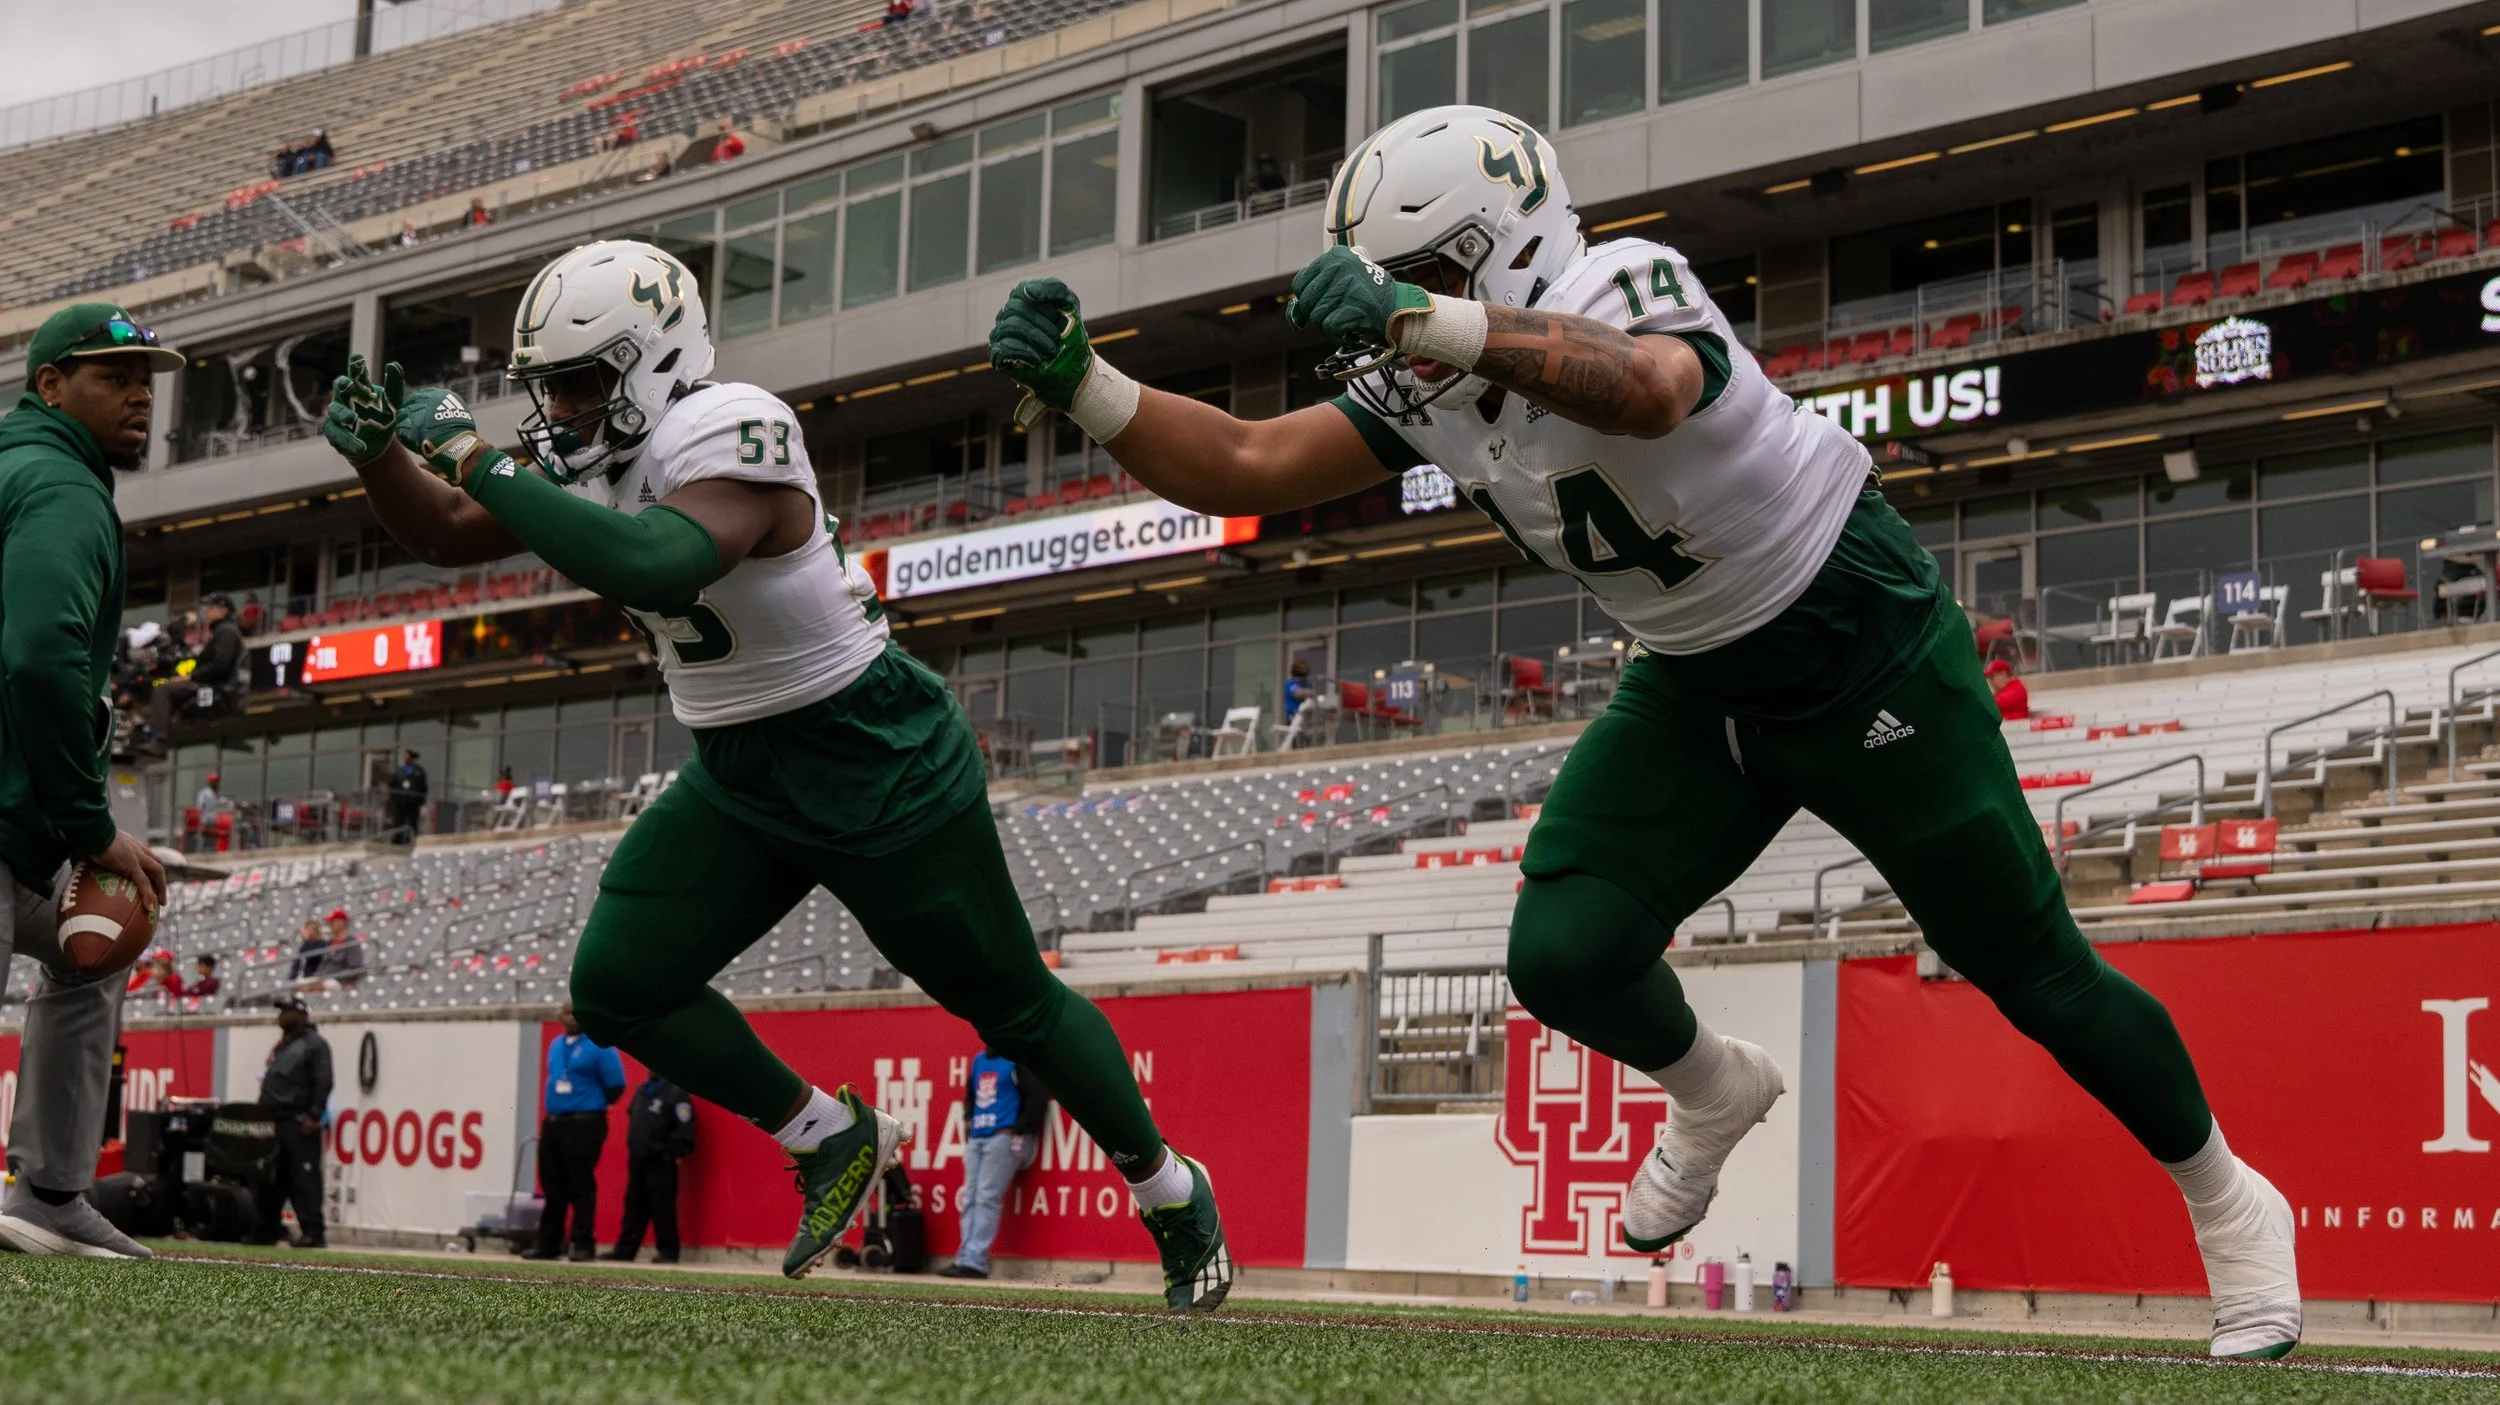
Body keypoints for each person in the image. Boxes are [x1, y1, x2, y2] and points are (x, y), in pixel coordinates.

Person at [986, 103, 2300, 1360]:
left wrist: (1422, 316)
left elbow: (1650, 389)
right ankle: (1717, 1084)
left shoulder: (1621, 279)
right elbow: (1252, 467)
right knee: (1565, 950)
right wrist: (1090, 385)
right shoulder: (1433, 368)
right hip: (1694, 677)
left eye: (1409, 276)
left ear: (1478, 253)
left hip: (1856, 638)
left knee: (2029, 966)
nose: (1377, 314)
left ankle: (2232, 1202)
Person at [317, 236, 1228, 1311]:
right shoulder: (595, 446)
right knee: (618, 984)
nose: (557, 409)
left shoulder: (729, 422)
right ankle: (829, 1134)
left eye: (577, 382)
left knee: (1011, 1007)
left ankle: (1171, 1190)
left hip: (870, 753)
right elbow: (452, 531)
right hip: (740, 765)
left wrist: (478, 455)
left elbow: (657, 560)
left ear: (653, 358)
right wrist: (382, 458)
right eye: (546, 388)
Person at [0, 302, 176, 1260]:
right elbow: (38, 658)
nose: (140, 391)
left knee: (95, 943)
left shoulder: (18, 468)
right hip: (13, 809)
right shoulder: (62, 485)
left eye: (145, 376)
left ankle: (53, 1191)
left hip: (13, 825)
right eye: (112, 374)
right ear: (51, 385)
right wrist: (85, 818)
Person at [525, 1003, 625, 1262]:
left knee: (580, 1183)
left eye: (575, 1012)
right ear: (559, 1017)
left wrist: (587, 1104)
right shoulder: (556, 1045)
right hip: (554, 1122)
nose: (570, 1017)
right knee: (552, 1184)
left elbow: (616, 1086)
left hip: (583, 1122)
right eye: (566, 1012)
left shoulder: (599, 1045)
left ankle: (583, 1243)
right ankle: (549, 1242)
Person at [939, 1046, 1049, 1280]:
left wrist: (1019, 1129)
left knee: (987, 1196)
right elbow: (970, 1095)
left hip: (1003, 1136)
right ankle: (966, 1256)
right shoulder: (979, 1060)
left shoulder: (1016, 1060)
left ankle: (975, 1260)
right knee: (970, 1197)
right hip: (978, 1136)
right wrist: (968, 1120)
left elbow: (1037, 1097)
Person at [254, 995, 331, 1248]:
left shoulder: (314, 1044)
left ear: (301, 1015)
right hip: (274, 1120)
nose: (281, 1016)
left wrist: (314, 1115)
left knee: (304, 1179)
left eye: (287, 1011)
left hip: (298, 1121)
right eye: (280, 1011)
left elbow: (324, 1081)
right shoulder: (283, 1045)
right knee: (272, 1177)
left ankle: (313, 1232)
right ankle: (267, 1229)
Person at [604, 1072, 695, 1264]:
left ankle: (668, 1250)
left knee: (662, 1205)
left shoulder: (675, 1093)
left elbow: (685, 1130)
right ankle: (625, 1250)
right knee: (634, 1204)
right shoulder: (642, 1091)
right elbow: (633, 1116)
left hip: (661, 1158)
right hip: (638, 1157)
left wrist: (669, 1150)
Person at [146, 592, 242, 748]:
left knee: (162, 690)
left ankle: (158, 740)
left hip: (216, 686)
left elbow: (221, 665)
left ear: (223, 611)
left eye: (210, 607)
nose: (206, 611)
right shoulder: (222, 631)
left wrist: (192, 677)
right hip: (212, 683)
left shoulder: (227, 632)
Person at [385, 748, 428, 842]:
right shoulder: (399, 770)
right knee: (399, 821)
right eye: (404, 756)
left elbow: (423, 786)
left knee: (413, 822)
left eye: (407, 756)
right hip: (401, 801)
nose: (405, 758)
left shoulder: (419, 771)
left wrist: (421, 799)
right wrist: (393, 798)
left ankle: (412, 840)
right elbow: (392, 785)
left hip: (413, 801)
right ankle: (398, 840)